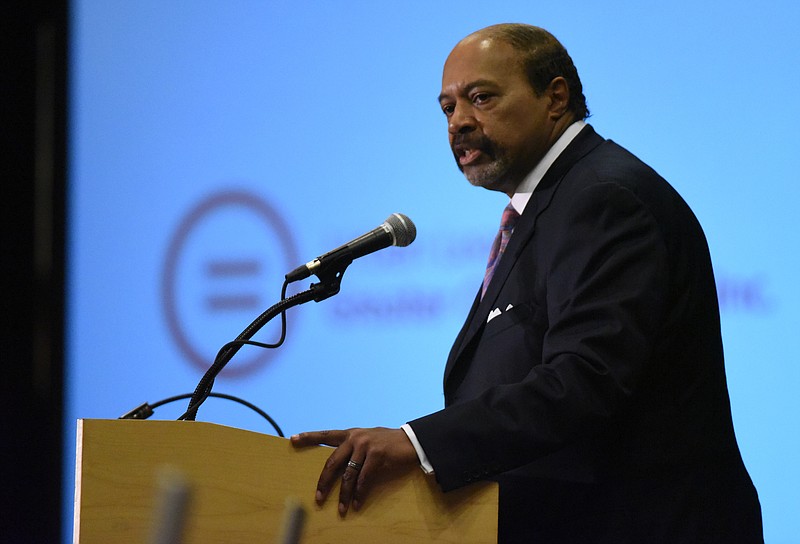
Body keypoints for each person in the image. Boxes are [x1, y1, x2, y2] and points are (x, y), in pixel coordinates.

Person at [291, 23, 763, 543]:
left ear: (554, 97)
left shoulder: (604, 198)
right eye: (447, 108)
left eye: (481, 98)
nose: (459, 123)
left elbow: (584, 379)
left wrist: (417, 443)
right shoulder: (554, 205)